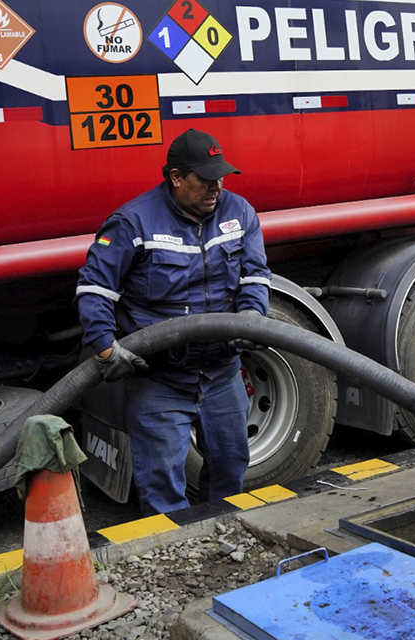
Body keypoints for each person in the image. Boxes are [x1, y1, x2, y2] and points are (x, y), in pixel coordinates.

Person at [75, 128, 271, 515]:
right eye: (205, 179)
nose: (216, 187)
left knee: (231, 469)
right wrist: (103, 345)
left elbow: (255, 275)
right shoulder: (133, 222)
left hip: (222, 373)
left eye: (220, 177)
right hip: (160, 379)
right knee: (163, 484)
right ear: (177, 178)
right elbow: (95, 289)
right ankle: (176, 557)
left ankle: (226, 538)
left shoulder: (239, 212)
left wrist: (252, 316)